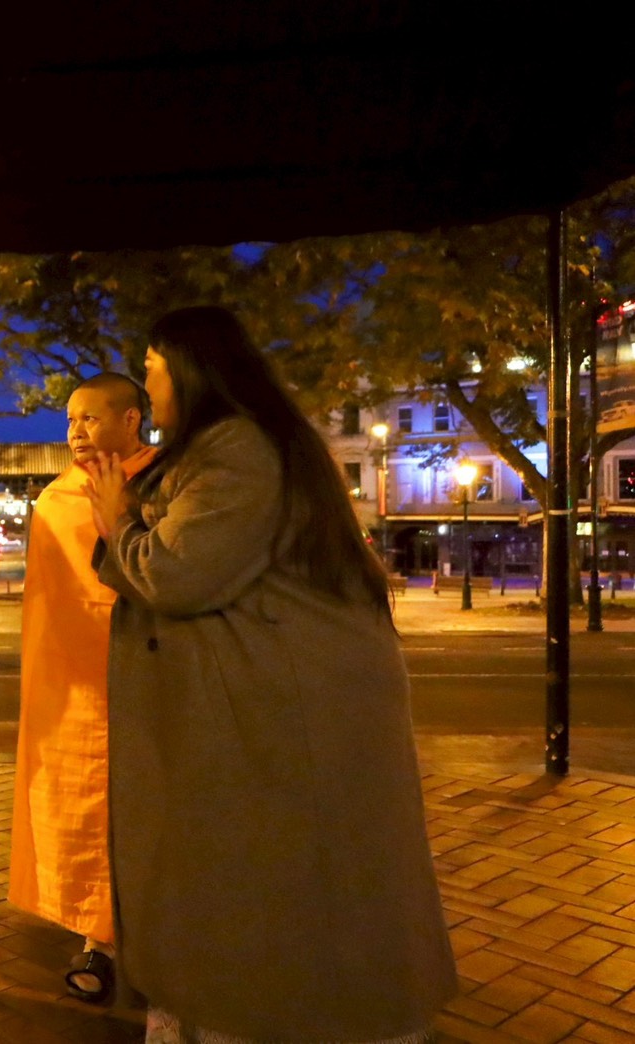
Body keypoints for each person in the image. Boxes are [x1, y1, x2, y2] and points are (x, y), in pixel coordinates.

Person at [88, 306, 456, 1042]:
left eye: (153, 366)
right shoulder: (243, 444)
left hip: (273, 717)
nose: (146, 383)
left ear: (187, 369)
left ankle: (269, 1016)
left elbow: (179, 573)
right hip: (268, 703)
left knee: (271, 886)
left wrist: (115, 521)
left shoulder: (236, 450)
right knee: (281, 884)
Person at [7, 372, 155, 1003]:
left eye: (90, 419)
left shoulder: (166, 485)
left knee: (150, 812)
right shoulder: (57, 499)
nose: (75, 432)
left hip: (149, 680)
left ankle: (160, 939)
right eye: (69, 421)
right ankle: (97, 938)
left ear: (131, 421)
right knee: (85, 812)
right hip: (71, 686)